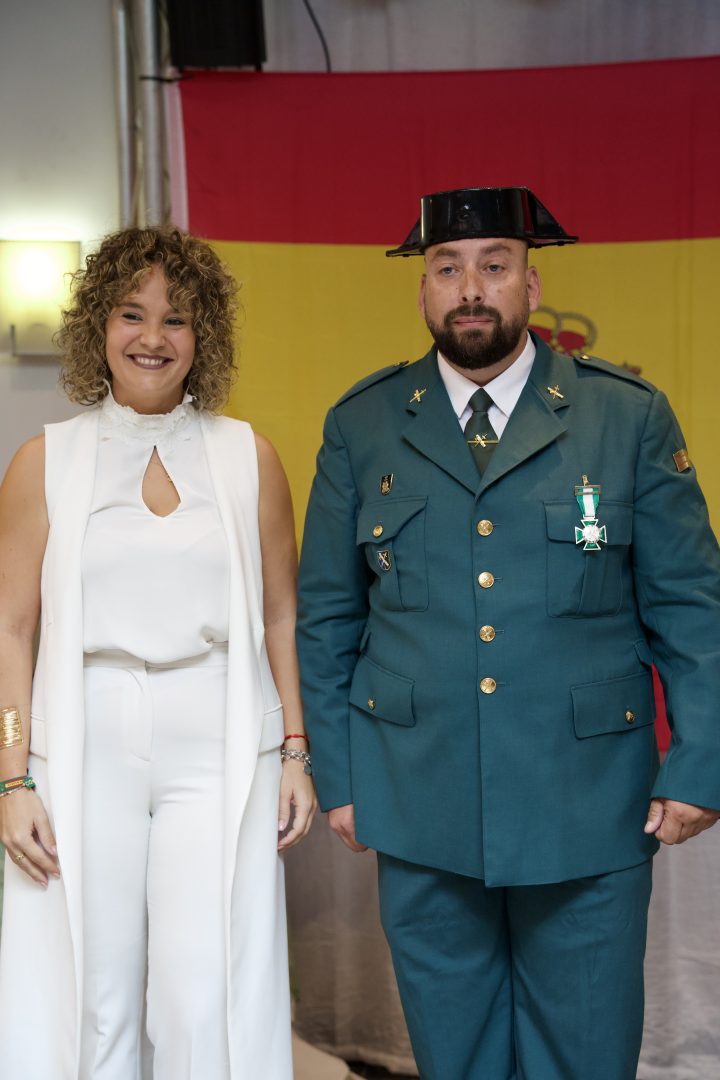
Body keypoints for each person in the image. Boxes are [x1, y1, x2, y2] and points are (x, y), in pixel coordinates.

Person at [296, 187, 720, 1080]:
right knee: (456, 1058)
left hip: (588, 801)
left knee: (586, 1055)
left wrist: (701, 765)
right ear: (423, 290)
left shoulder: (626, 416)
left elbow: (691, 607)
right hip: (420, 797)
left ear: (531, 284)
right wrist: (340, 776)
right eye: (447, 268)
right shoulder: (363, 424)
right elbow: (328, 616)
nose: (470, 288)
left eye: (494, 265)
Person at [0, 226, 316, 1079]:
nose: (152, 337)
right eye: (131, 315)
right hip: (85, 735)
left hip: (217, 735)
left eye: (176, 319)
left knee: (200, 994)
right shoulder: (43, 462)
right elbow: (11, 629)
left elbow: (281, 617)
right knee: (92, 992)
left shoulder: (248, 457)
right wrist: (11, 778)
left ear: (202, 334)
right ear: (98, 328)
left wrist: (295, 750)